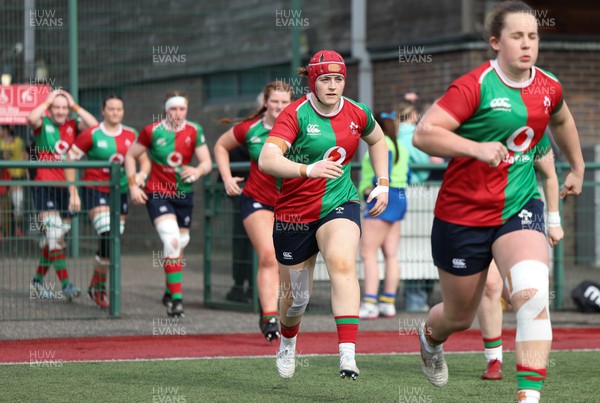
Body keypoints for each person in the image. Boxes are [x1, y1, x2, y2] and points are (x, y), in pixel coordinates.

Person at [412, 2, 585, 402]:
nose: (527, 44)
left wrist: (576, 167)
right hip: (461, 215)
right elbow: (424, 133)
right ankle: (429, 338)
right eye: (517, 36)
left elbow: (561, 119)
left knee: (531, 296)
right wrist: (474, 148)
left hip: (518, 207)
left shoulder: (548, 86)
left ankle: (529, 396)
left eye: (533, 36)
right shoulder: (473, 86)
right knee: (458, 316)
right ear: (495, 42)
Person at [258, 50, 389, 380]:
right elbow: (267, 160)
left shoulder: (358, 113)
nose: (333, 86)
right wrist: (307, 169)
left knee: (343, 262)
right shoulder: (295, 114)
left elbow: (377, 140)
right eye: (325, 79)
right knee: (296, 300)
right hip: (294, 215)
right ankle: (288, 343)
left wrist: (383, 183)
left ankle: (347, 354)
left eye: (339, 79)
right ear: (313, 82)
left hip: (339, 204)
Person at [478, 137, 564, 381]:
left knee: (528, 292)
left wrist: (554, 222)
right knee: (488, 286)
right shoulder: (477, 124)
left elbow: (549, 174)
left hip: (522, 212)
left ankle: (530, 380)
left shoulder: (535, 130)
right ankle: (493, 357)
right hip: (479, 214)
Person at [214, 81, 294, 341]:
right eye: (274, 102)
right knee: (269, 255)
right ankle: (269, 317)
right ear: (265, 103)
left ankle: (280, 311)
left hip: (291, 203)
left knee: (288, 261)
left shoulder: (301, 129)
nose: (279, 107)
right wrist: (227, 178)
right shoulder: (251, 130)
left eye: (284, 102)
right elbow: (221, 146)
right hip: (256, 199)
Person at [125, 91, 211, 318]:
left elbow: (206, 163)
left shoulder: (195, 130)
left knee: (181, 242)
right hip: (158, 193)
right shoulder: (151, 131)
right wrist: (133, 185)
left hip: (184, 195)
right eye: (173, 109)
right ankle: (177, 300)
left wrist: (197, 170)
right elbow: (130, 156)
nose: (178, 113)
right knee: (171, 240)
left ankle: (168, 290)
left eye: (182, 108)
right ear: (165, 110)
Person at [65, 94, 150, 309]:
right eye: (110, 109)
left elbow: (145, 162)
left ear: (123, 112)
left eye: (119, 109)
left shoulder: (132, 134)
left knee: (112, 240)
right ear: (103, 111)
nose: (115, 113)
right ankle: (99, 288)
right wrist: (73, 191)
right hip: (95, 189)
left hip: (119, 191)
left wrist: (140, 176)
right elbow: (69, 159)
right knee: (107, 232)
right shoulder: (91, 134)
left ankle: (97, 285)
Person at [27, 89, 98, 300]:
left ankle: (37, 283)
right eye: (56, 107)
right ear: (50, 109)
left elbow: (94, 126)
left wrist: (75, 106)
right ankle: (66, 284)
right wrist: (48, 101)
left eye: (63, 108)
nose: (59, 111)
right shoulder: (43, 124)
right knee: (55, 234)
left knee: (55, 240)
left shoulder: (74, 125)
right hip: (44, 186)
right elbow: (31, 118)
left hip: (68, 189)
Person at [358, 112, 409, 319]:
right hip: (399, 196)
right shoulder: (402, 147)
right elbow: (409, 174)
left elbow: (383, 172)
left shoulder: (380, 144)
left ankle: (370, 302)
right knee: (391, 254)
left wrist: (372, 189)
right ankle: (388, 302)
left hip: (383, 196)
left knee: (367, 253)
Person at [396, 97, 443, 312]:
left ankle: (416, 300)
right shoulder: (413, 135)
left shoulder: (394, 135)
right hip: (419, 194)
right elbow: (435, 161)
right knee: (424, 248)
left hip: (410, 196)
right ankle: (417, 301)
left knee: (412, 249)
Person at [0, 125, 28, 237]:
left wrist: (27, 166)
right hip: (2, 178)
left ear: (6, 129)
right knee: (1, 207)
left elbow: (27, 154)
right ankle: (1, 231)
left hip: (16, 178)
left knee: (18, 203)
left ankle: (18, 227)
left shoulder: (19, 141)